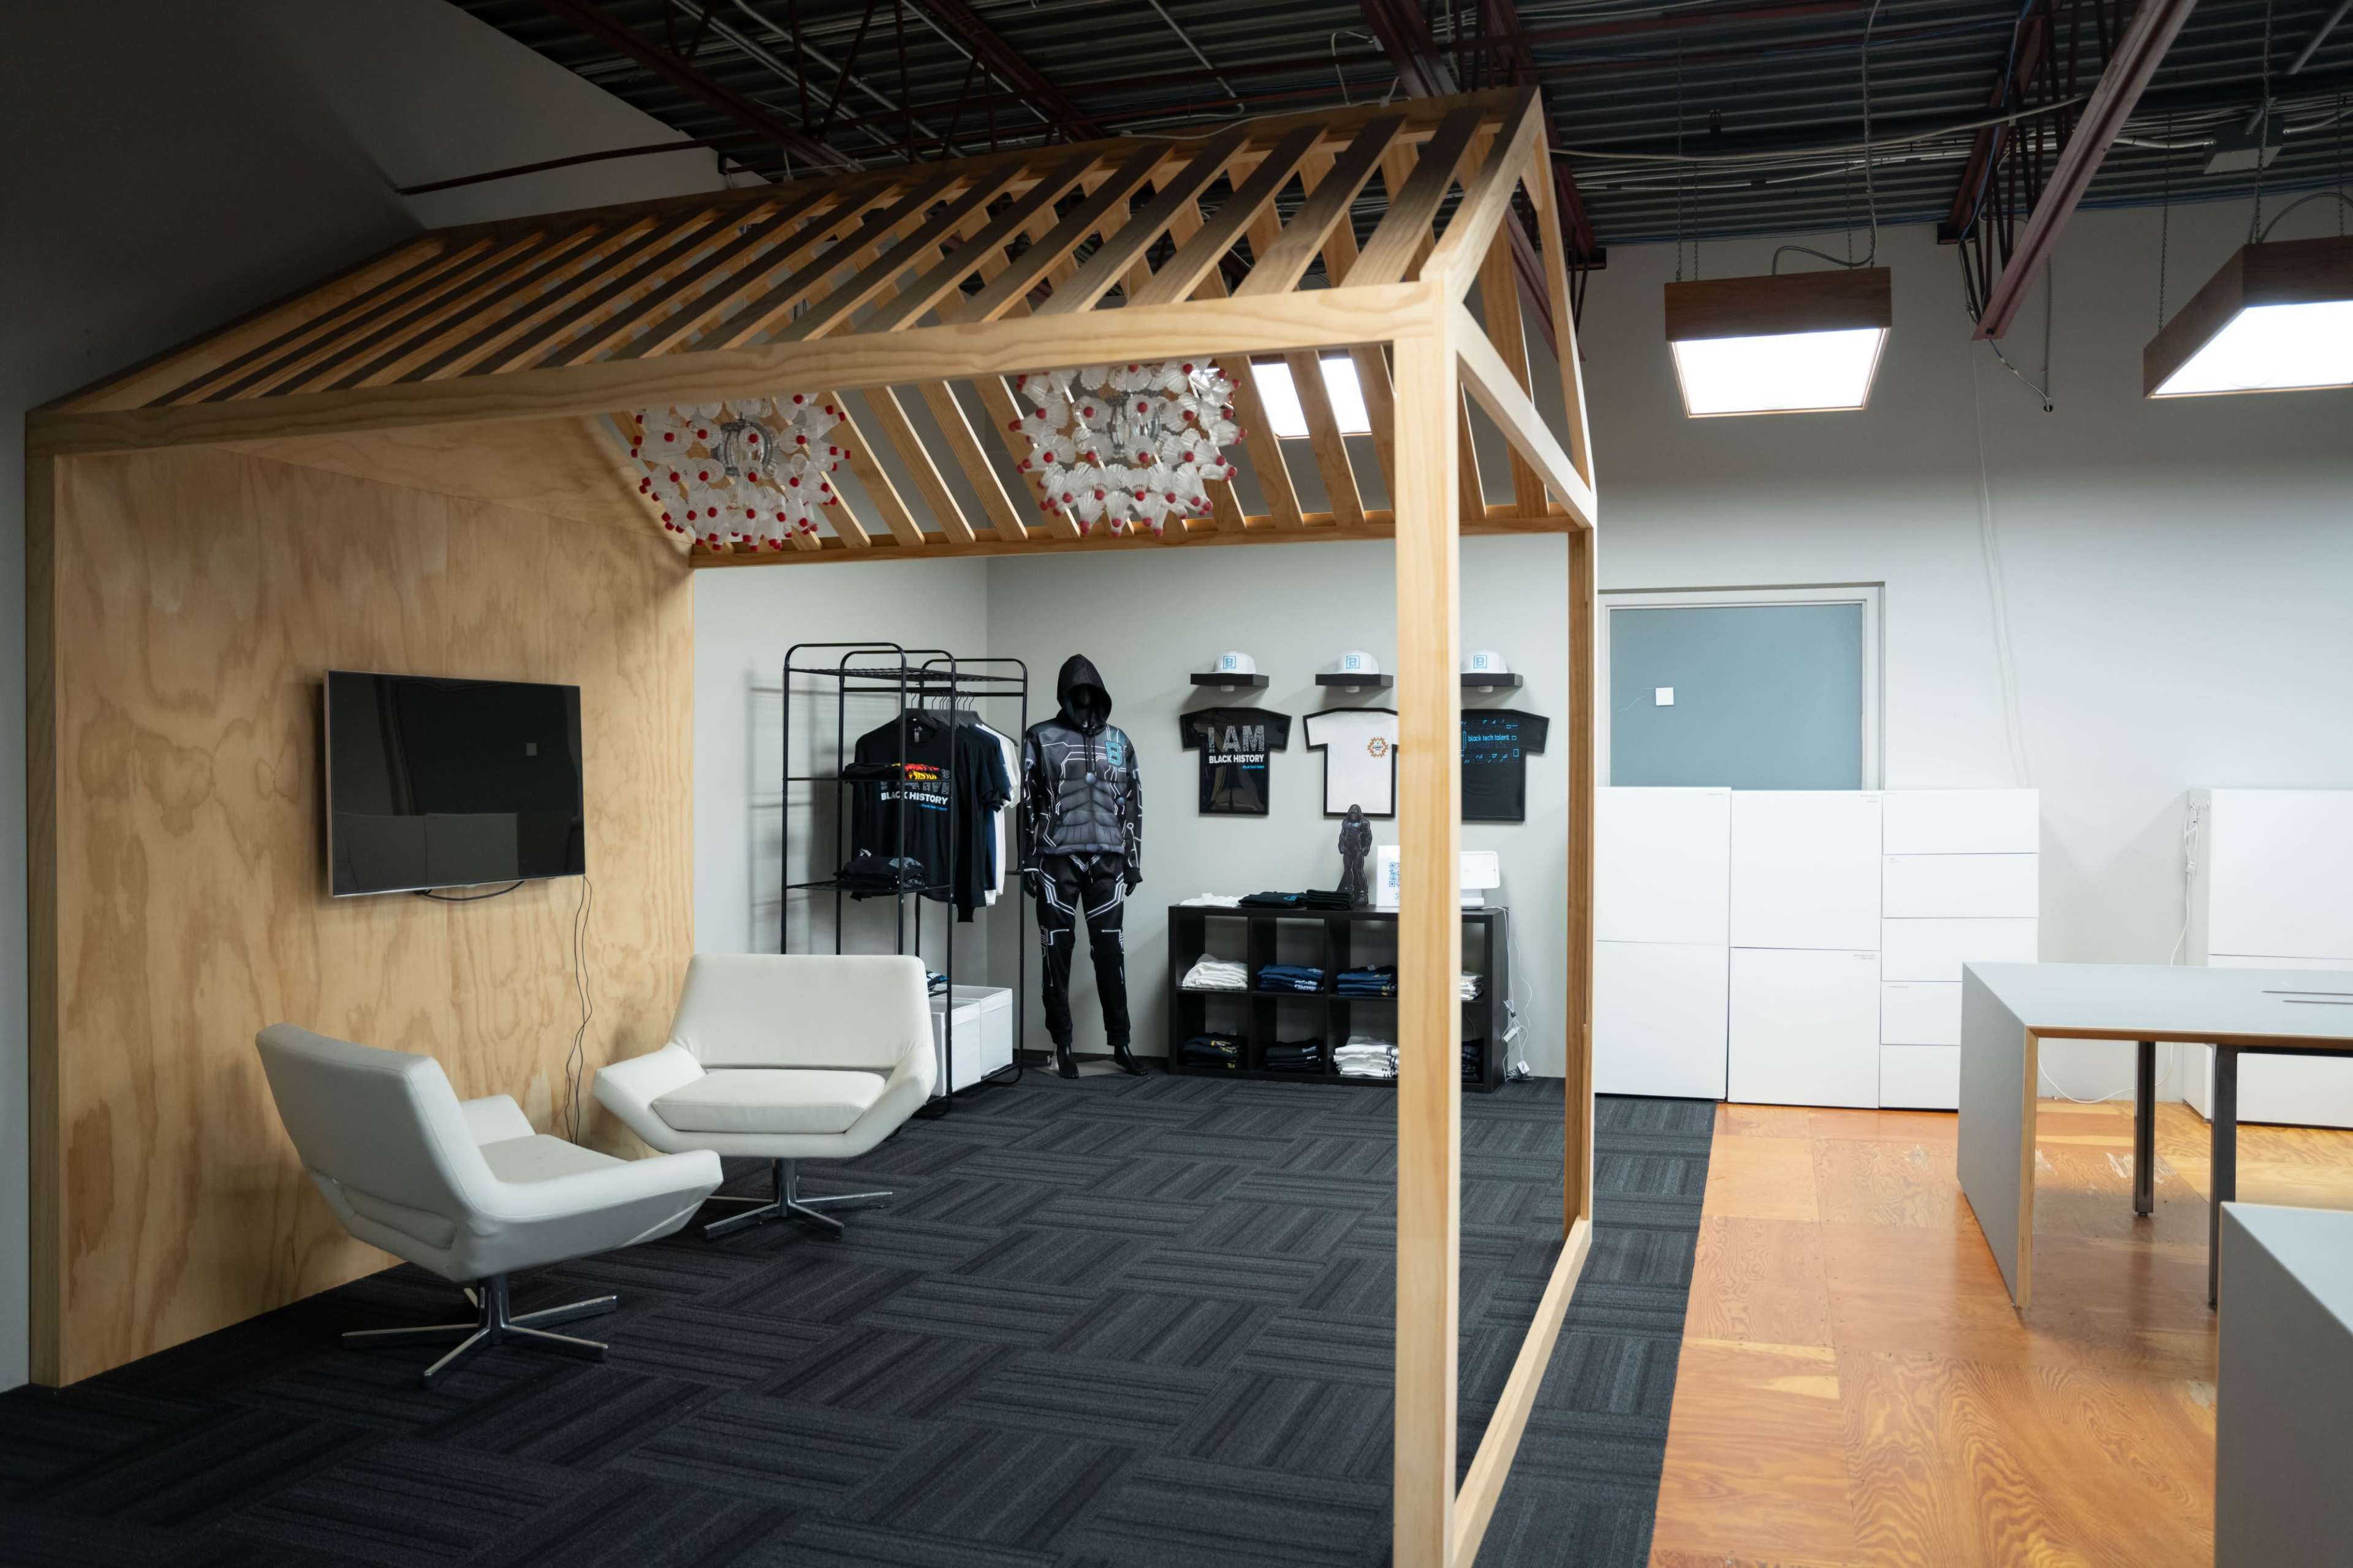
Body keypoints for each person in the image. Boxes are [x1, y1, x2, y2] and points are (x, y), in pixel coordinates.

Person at [1021, 655, 1144, 1077]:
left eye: (1092, 692)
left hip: (1108, 858)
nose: (1085, 698)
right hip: (1056, 859)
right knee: (1055, 953)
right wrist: (1029, 862)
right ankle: (1063, 1043)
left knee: (1112, 952)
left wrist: (1133, 861)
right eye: (1077, 692)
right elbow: (1027, 801)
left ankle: (1122, 1042)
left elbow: (1134, 803)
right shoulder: (1040, 737)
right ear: (1064, 695)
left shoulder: (1120, 740)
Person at [1337, 804, 1374, 909]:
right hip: (1348, 849)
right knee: (1348, 870)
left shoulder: (1364, 823)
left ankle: (1362, 893)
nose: (1353, 815)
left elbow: (1368, 836)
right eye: (1352, 813)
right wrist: (1341, 846)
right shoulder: (1346, 823)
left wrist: (1366, 848)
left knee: (1358, 870)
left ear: (1359, 814)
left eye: (1355, 813)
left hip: (1358, 849)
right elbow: (1342, 835)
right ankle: (1347, 892)